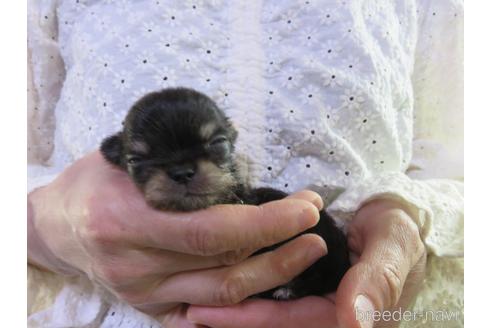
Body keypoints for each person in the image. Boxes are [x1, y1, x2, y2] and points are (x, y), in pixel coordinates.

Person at [27, 1, 463, 327]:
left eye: (212, 149)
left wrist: (406, 211)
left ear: (229, 142)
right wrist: (46, 224)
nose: (182, 173)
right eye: (143, 161)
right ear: (118, 155)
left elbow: (460, 162)